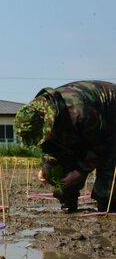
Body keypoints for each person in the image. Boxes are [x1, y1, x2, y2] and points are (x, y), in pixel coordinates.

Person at [15, 80, 116, 214]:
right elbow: (50, 148)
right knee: (61, 177)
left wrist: (79, 171)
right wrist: (47, 166)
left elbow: (99, 147)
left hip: (109, 116)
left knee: (107, 185)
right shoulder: (37, 113)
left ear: (50, 123)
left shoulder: (79, 113)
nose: (45, 139)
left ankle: (108, 206)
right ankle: (68, 203)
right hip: (85, 127)